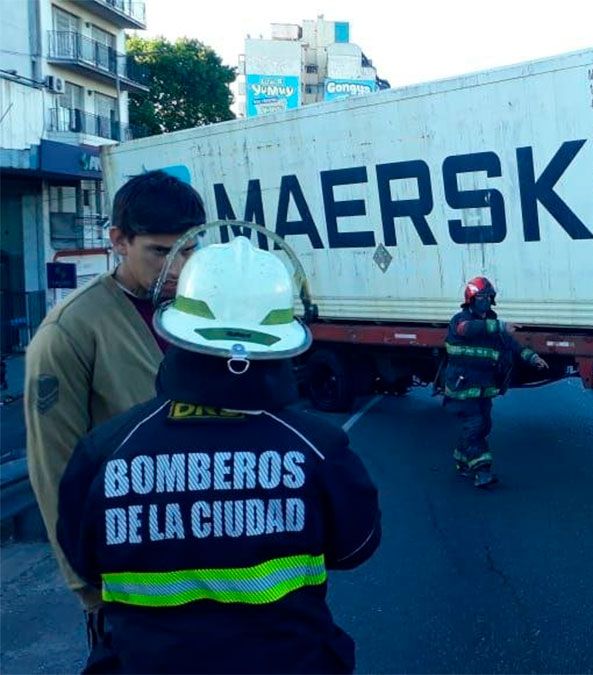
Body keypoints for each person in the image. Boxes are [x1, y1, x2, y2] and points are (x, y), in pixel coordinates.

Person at [56, 234, 382, 673]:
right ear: (281, 339)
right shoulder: (319, 449)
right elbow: (355, 548)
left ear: (178, 329)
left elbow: (85, 563)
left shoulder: (107, 451)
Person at [25, 170, 204, 650]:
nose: (178, 267)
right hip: (128, 581)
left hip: (209, 565)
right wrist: (89, 590)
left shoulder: (201, 313)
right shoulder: (71, 331)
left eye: (189, 250)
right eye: (161, 252)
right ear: (119, 241)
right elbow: (55, 469)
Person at [443, 276, 548, 488]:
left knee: (483, 426)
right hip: (463, 388)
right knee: (475, 425)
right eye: (481, 297)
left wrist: (533, 358)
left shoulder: (494, 326)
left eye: (488, 297)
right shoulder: (460, 320)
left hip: (484, 388)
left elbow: (513, 346)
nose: (486, 301)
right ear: (471, 299)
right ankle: (482, 471)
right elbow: (467, 329)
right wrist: (500, 325)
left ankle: (462, 461)